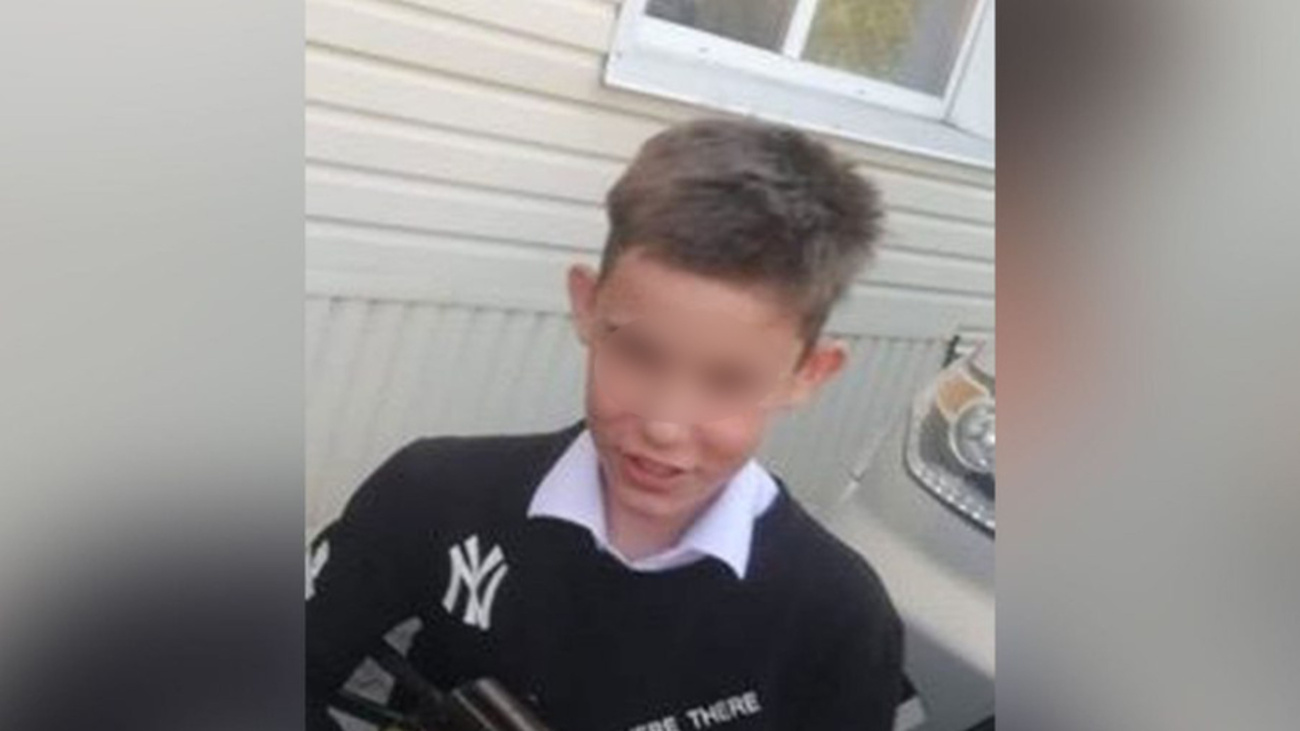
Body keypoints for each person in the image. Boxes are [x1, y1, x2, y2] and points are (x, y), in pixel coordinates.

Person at [306, 118, 903, 731]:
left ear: (810, 373)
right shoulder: (433, 495)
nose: (666, 424)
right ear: (587, 306)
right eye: (639, 353)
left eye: (728, 380)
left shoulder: (838, 618)